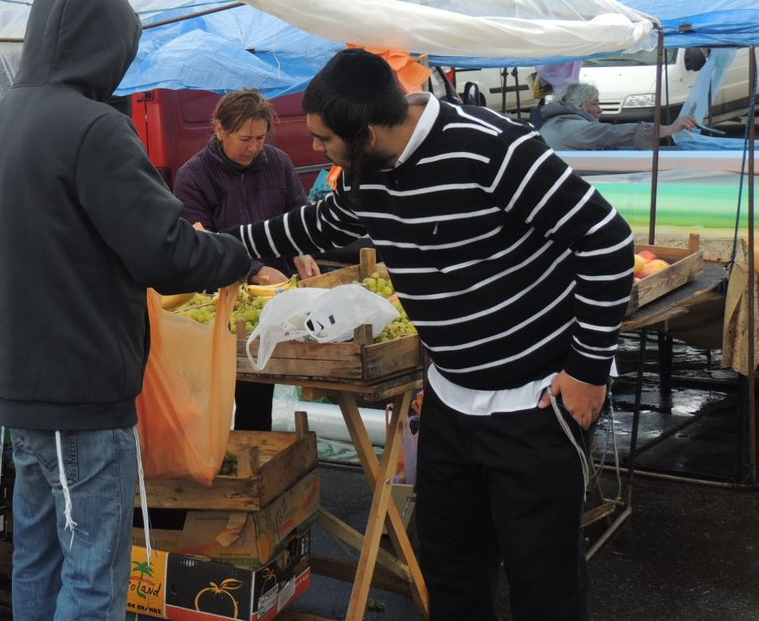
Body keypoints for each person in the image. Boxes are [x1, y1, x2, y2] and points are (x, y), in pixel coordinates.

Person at [226, 48, 635, 620]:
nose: (315, 150)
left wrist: (588, 370)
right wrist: (215, 247)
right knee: (450, 569)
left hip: (535, 399)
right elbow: (320, 223)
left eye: (323, 139)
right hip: (450, 397)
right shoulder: (369, 175)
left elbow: (608, 242)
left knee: (543, 580)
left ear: (365, 134)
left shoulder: (495, 148)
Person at [0, 0, 249, 621]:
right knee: (92, 574)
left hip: (15, 385)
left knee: (38, 556)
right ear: (110, 46)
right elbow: (167, 254)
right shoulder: (93, 130)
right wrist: (243, 250)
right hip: (79, 394)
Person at [173, 88, 320, 431]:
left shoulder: (278, 162)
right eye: (245, 139)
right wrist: (253, 270)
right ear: (219, 129)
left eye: (261, 137)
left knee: (257, 393)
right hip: (219, 303)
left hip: (275, 300)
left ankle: (257, 460)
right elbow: (199, 244)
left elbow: (297, 213)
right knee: (215, 396)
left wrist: (301, 250)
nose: (254, 147)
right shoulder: (193, 176)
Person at [539, 80, 697, 150]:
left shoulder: (551, 125)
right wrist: (670, 129)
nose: (600, 110)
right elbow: (616, 133)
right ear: (578, 105)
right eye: (595, 104)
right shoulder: (574, 128)